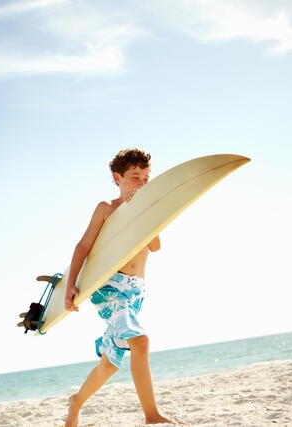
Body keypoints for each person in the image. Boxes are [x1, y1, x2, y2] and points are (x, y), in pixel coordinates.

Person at [64, 149, 177, 426]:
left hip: (136, 290)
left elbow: (155, 246)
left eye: (147, 178)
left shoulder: (147, 211)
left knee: (110, 362)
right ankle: (151, 415)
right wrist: (71, 286)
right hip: (110, 288)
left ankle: (76, 402)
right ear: (118, 178)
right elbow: (83, 246)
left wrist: (141, 212)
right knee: (141, 341)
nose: (142, 183)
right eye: (135, 177)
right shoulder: (106, 209)